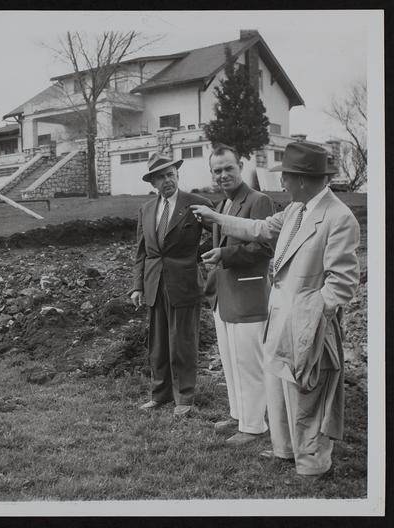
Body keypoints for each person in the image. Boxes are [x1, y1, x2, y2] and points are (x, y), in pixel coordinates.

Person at [191, 141, 360, 476]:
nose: (282, 182)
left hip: (309, 323)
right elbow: (260, 228)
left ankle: (312, 465)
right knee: (279, 388)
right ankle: (284, 450)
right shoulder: (297, 209)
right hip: (281, 316)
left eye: (287, 176)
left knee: (309, 393)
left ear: (303, 179)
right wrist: (216, 218)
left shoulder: (339, 217)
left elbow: (342, 282)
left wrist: (313, 316)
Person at [201, 144, 274, 446]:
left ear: (240, 166)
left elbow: (265, 248)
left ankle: (254, 426)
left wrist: (225, 255)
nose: (223, 175)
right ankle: (238, 415)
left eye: (228, 168)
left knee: (249, 363)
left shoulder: (259, 200)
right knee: (231, 362)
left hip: (248, 294)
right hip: (224, 296)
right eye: (217, 170)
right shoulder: (222, 205)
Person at [130, 152, 213, 417]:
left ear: (177, 175)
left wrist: (196, 256)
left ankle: (184, 397)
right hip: (154, 283)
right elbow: (141, 251)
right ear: (153, 183)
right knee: (158, 344)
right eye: (161, 177)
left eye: (170, 174)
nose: (167, 180)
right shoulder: (146, 209)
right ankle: (160, 394)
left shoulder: (196, 204)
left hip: (184, 282)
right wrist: (138, 286)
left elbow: (220, 233)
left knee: (183, 342)